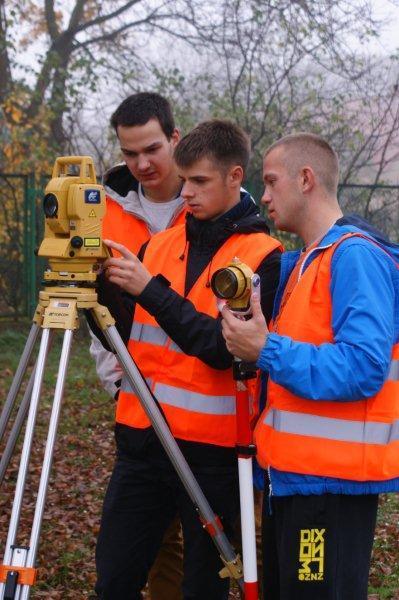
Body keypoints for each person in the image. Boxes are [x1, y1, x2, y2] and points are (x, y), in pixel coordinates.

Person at [94, 119, 282, 599]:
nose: (188, 193)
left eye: (200, 181)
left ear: (235, 176)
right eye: (186, 180)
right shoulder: (158, 245)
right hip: (141, 442)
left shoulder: (262, 256)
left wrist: (148, 290)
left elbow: (224, 349)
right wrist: (93, 286)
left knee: (203, 588)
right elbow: (121, 331)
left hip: (213, 456)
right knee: (115, 578)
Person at [221, 132, 399, 600]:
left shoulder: (354, 256)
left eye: (270, 181)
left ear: (305, 179)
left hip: (329, 493)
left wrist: (266, 350)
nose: (262, 196)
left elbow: (363, 367)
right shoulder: (305, 263)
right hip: (291, 484)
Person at [90, 92, 186, 600]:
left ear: (175, 137)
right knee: (147, 531)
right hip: (134, 390)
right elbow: (91, 304)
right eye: (129, 154)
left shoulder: (205, 199)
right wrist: (115, 375)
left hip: (196, 392)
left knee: (191, 526)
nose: (142, 164)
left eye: (152, 149)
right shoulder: (103, 209)